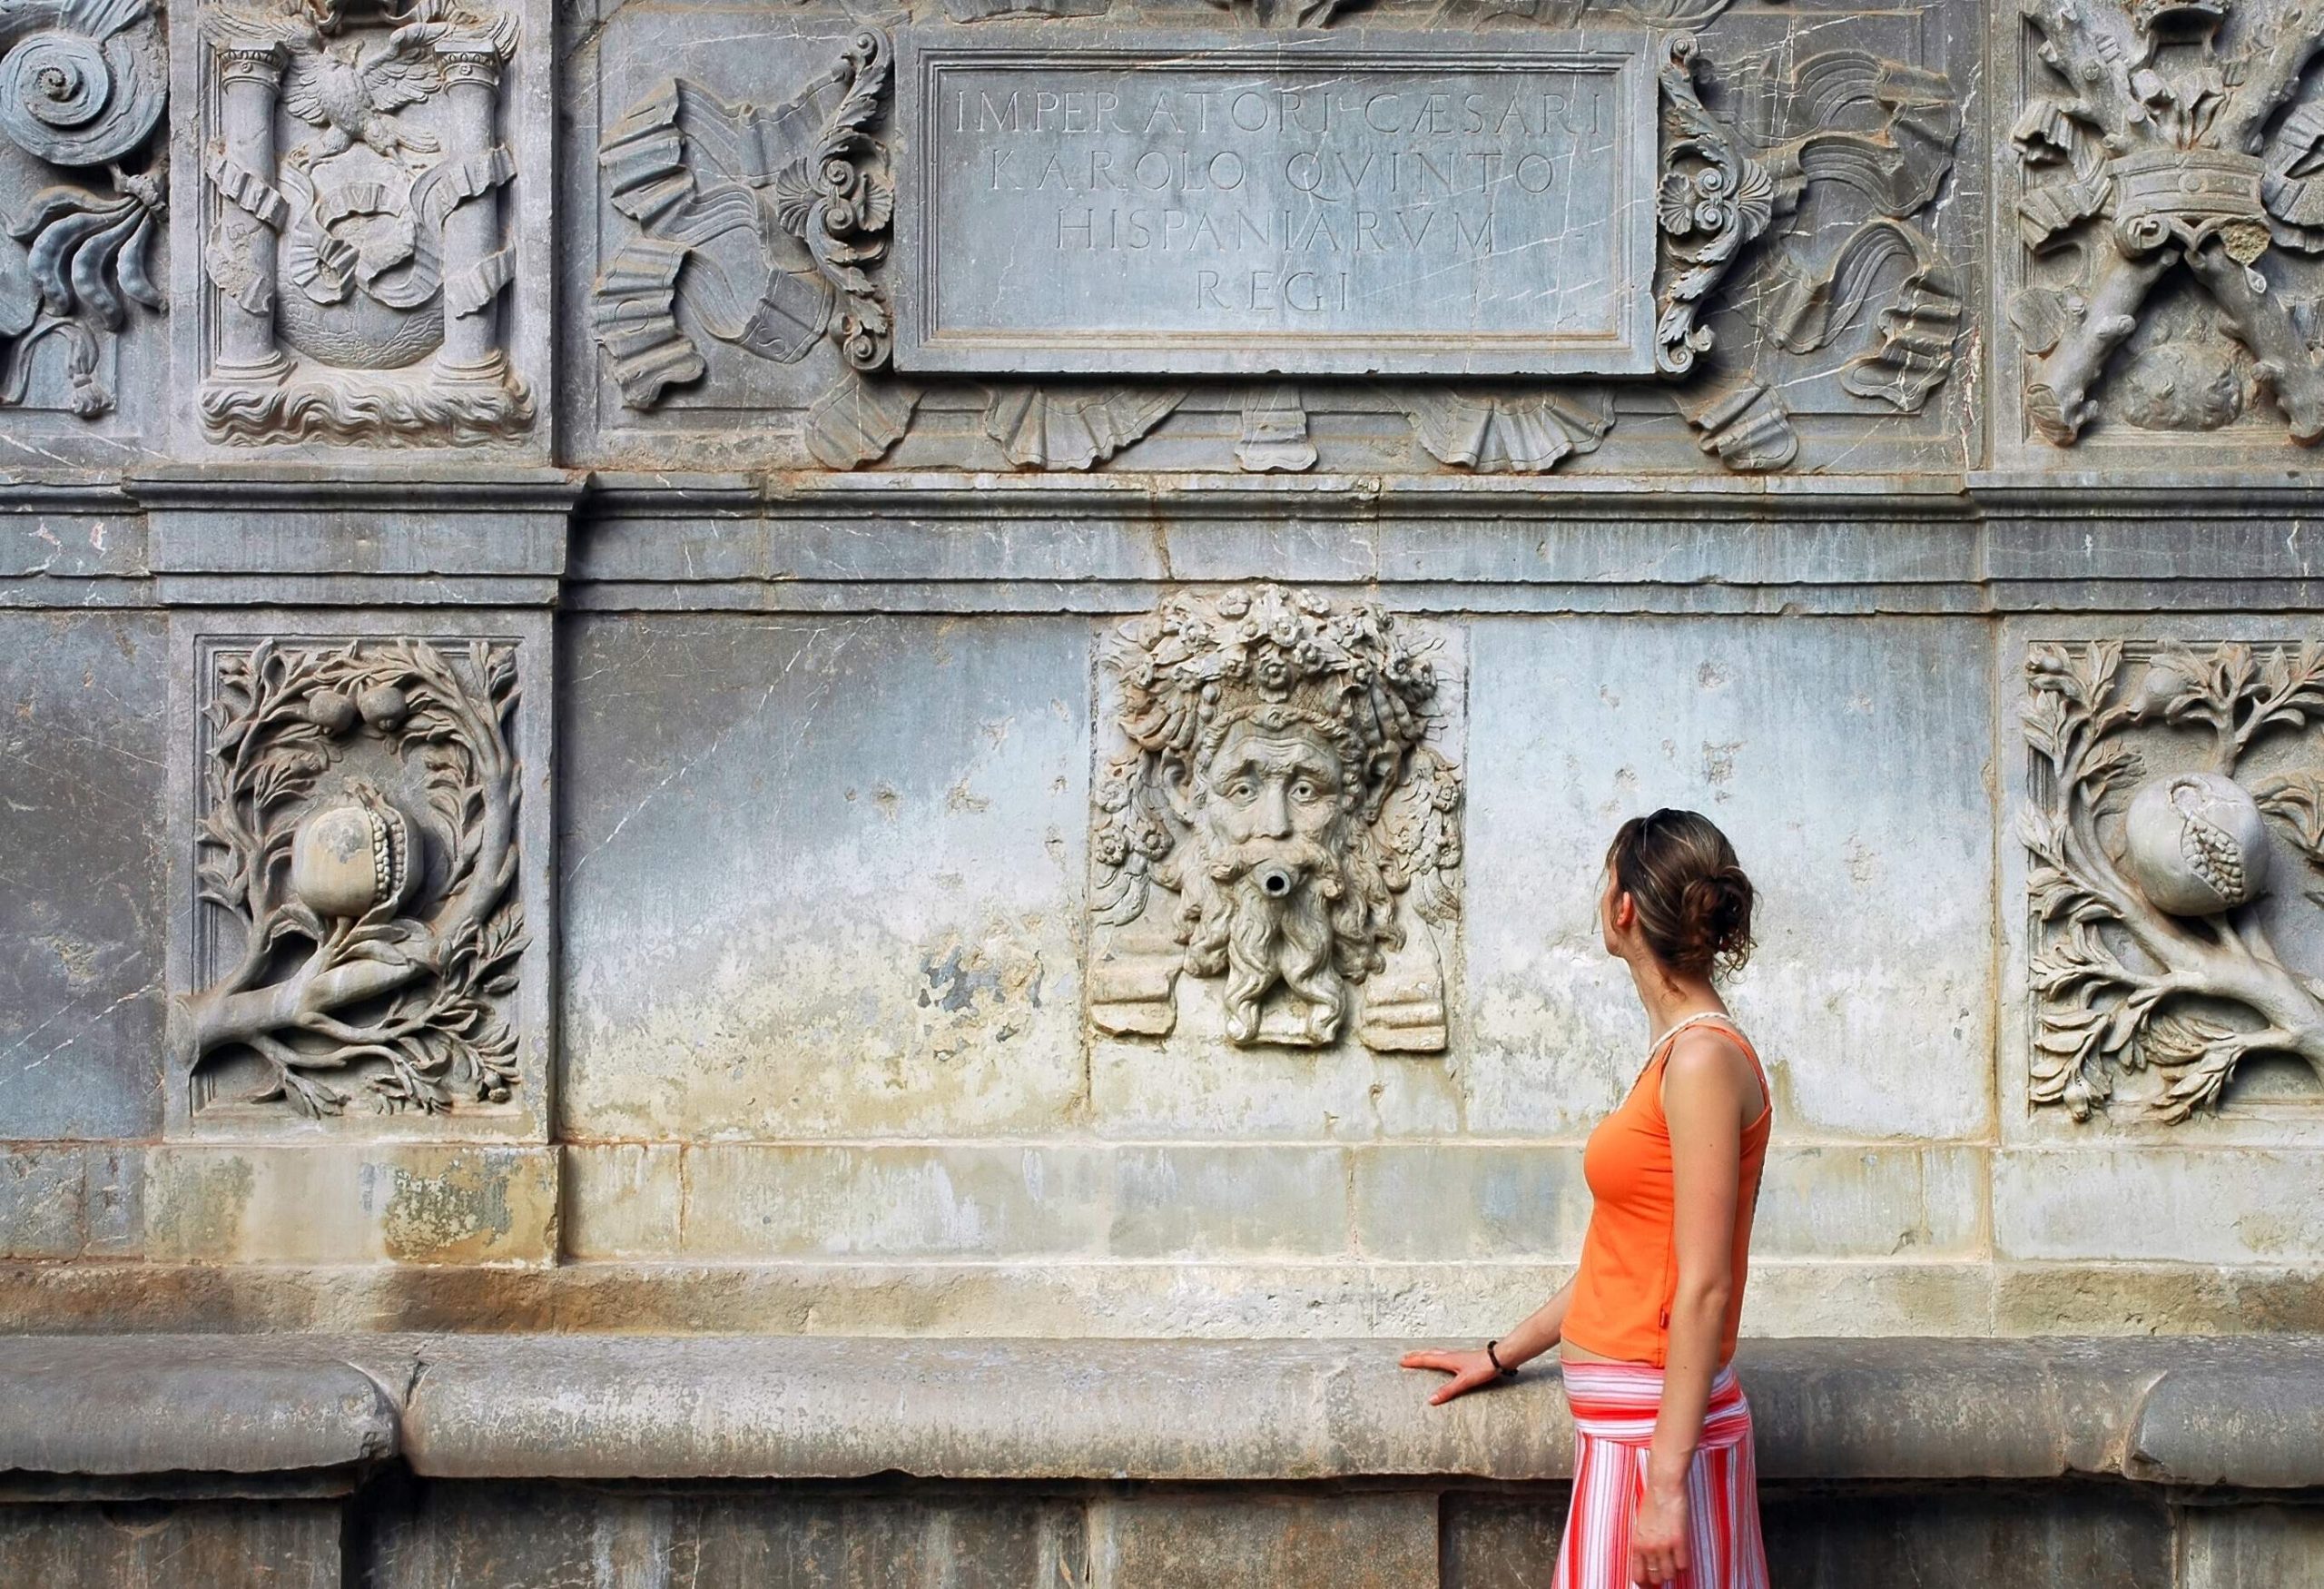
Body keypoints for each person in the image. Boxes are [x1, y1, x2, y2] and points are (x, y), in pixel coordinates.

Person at [1402, 809, 1770, 1589]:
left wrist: (1664, 1488)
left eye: (1605, 880)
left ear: (1624, 908)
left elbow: (1705, 1287)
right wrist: (1500, 1354)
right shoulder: (1679, 1054)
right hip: (1630, 1437)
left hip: (1653, 1445)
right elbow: (1620, 1261)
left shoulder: (1702, 1060)